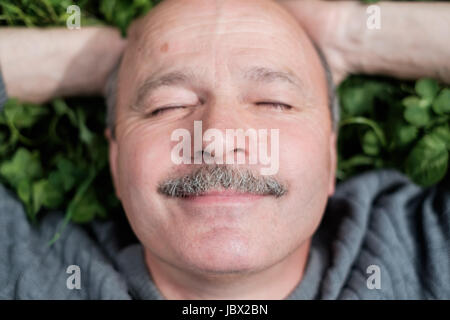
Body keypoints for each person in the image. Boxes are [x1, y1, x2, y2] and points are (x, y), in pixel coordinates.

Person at [0, 0, 449, 300]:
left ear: (332, 154)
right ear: (115, 161)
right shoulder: (23, 273)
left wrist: (349, 34)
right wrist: (109, 57)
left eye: (273, 101)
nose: (218, 138)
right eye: (166, 106)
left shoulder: (427, 252)